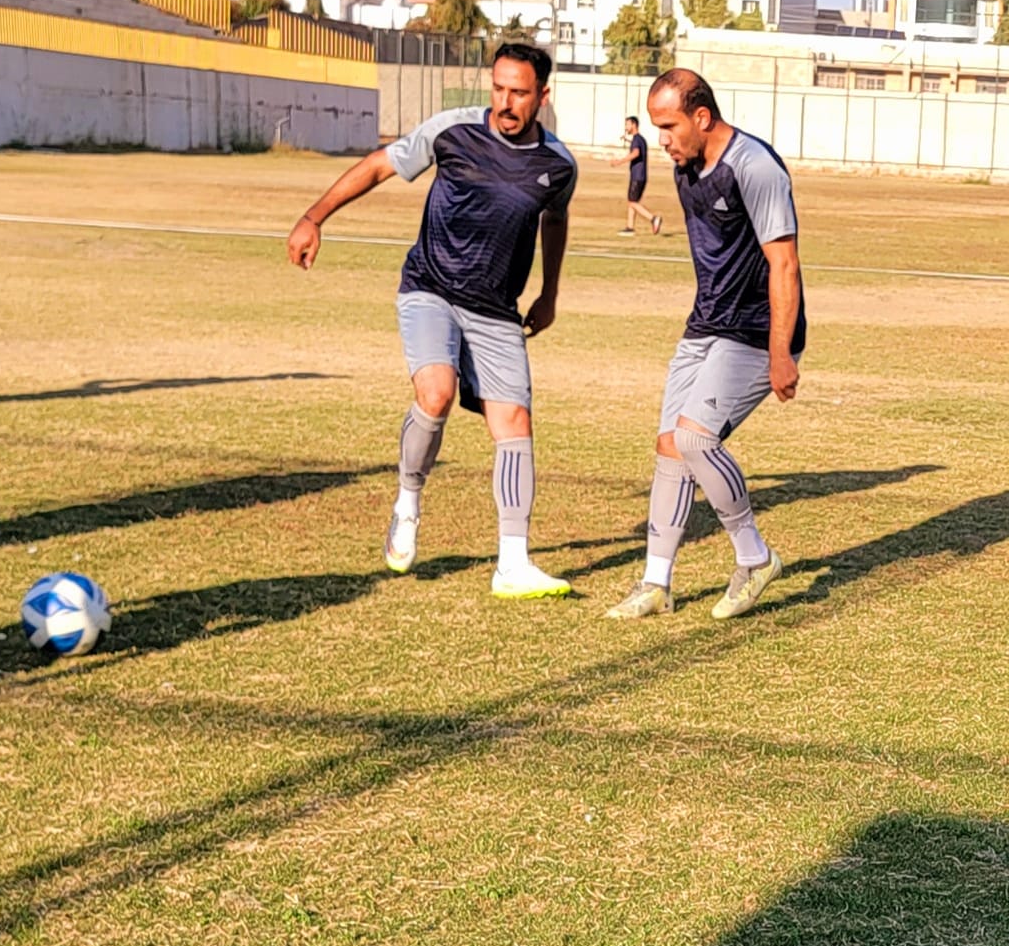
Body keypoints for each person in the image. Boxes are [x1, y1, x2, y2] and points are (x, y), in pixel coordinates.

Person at [287, 42, 577, 599]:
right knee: (437, 393)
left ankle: (512, 564)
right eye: (498, 87)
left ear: (543, 95)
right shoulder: (453, 132)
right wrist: (313, 217)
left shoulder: (558, 166)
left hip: (496, 308)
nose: (505, 102)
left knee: (514, 421)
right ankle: (408, 502)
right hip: (431, 289)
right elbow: (378, 166)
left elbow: (554, 223)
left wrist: (550, 293)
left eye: (519, 92)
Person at [606, 68, 802, 621]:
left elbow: (783, 262)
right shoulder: (685, 167)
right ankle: (655, 584)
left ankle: (755, 558)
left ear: (702, 116)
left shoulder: (755, 166)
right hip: (706, 325)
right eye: (655, 127)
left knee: (695, 440)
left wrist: (781, 351)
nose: (661, 139)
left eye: (668, 126)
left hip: (756, 332)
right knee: (670, 444)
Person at [602, 115, 663, 236]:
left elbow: (636, 153)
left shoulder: (636, 140)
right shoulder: (639, 139)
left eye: (627, 124)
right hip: (640, 176)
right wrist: (627, 141)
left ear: (634, 125)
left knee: (632, 202)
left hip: (637, 176)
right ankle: (630, 228)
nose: (626, 127)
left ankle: (653, 219)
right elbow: (637, 147)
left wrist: (619, 161)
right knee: (632, 201)